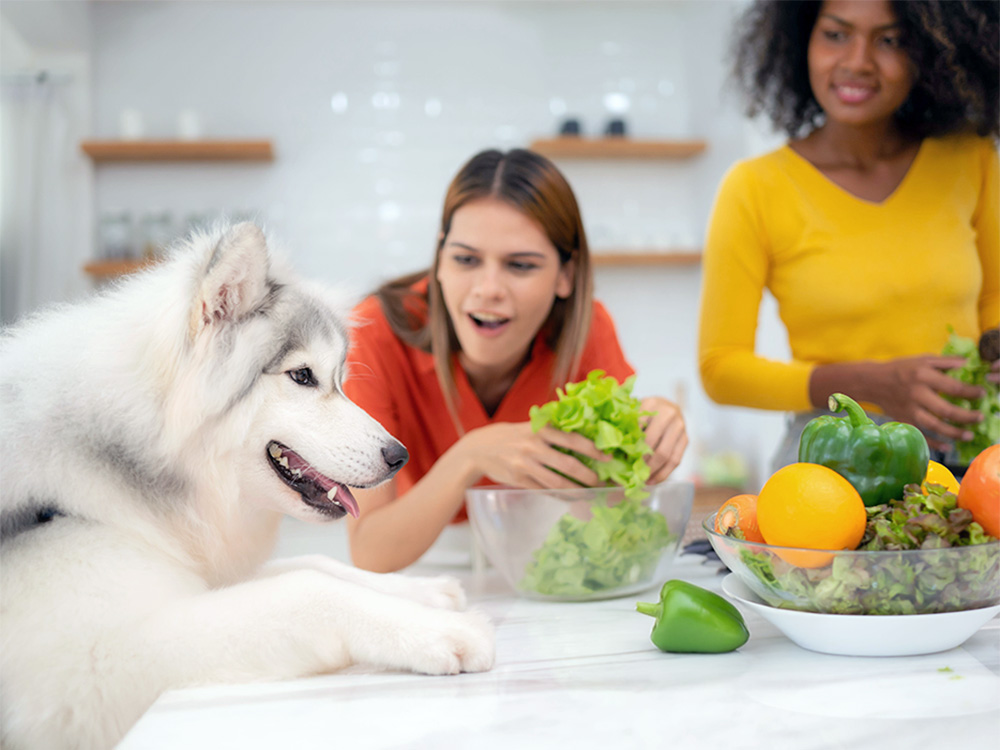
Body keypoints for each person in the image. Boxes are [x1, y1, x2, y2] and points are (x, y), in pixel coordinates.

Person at [344, 148, 688, 572]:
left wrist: (651, 436)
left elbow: (615, 504)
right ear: (439, 258)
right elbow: (369, 551)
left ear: (565, 275)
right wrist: (469, 456)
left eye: (520, 265)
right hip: (421, 558)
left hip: (542, 556)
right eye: (465, 259)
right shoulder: (373, 332)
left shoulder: (588, 330)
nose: (488, 289)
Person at [698, 0, 999, 472]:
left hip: (969, 455)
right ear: (801, 42)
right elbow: (721, 368)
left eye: (891, 40)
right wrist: (867, 384)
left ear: (932, 51)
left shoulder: (971, 158)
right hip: (832, 458)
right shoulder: (755, 188)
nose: (858, 61)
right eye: (836, 35)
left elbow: (993, 303)